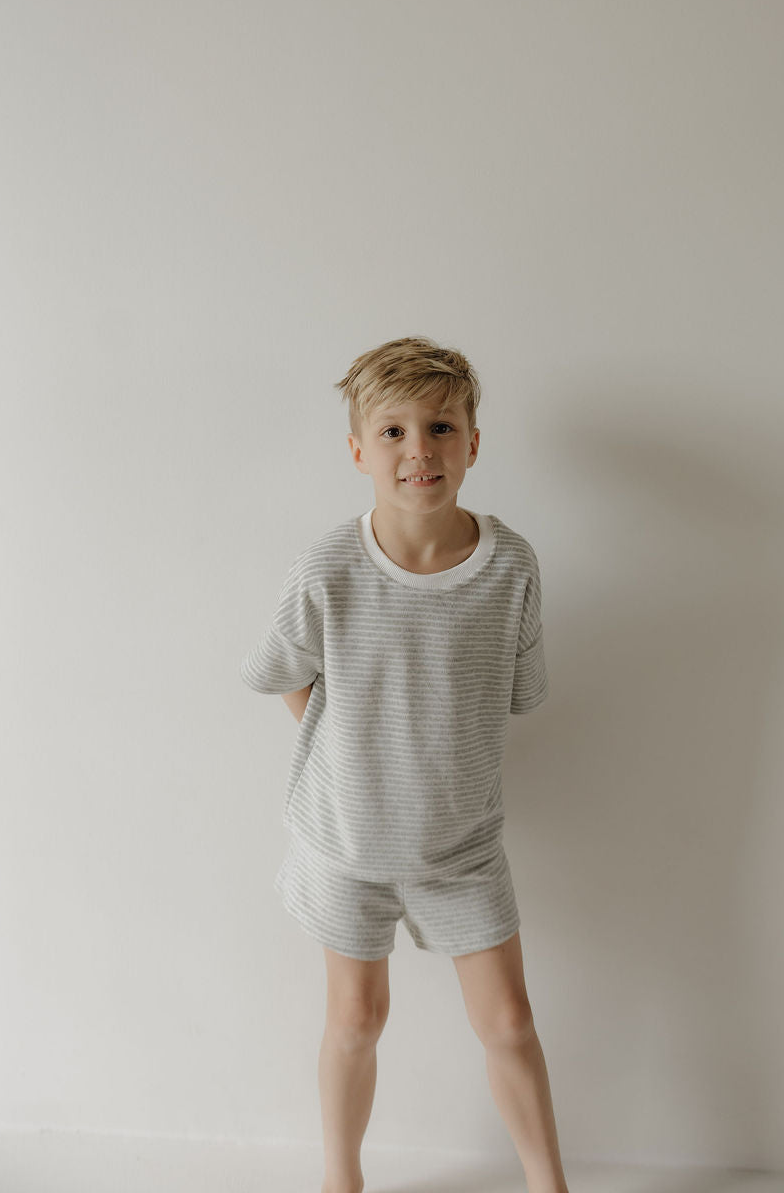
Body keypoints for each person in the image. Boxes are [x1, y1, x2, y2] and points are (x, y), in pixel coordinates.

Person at [241, 335, 570, 1193]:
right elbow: (282, 676)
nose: (418, 450)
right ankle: (339, 1179)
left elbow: (516, 693)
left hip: (462, 851)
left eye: (440, 426)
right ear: (359, 450)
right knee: (355, 1020)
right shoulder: (328, 566)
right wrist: (353, 756)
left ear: (472, 442)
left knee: (508, 1023)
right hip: (346, 846)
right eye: (392, 432)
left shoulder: (512, 568)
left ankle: (549, 1183)